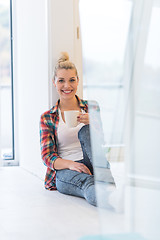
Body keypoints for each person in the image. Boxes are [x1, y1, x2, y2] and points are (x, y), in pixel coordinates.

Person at [40, 52, 115, 206]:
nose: (67, 86)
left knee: (86, 131)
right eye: (61, 81)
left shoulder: (91, 107)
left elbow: (101, 144)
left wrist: (92, 122)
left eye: (72, 80)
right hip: (66, 169)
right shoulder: (47, 117)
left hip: (93, 163)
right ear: (54, 82)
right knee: (87, 183)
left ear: (78, 81)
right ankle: (110, 195)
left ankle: (107, 184)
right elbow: (47, 157)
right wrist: (71, 164)